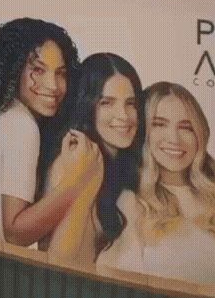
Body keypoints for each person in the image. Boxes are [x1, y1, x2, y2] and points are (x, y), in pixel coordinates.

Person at [96, 82, 215, 298]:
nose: (174, 139)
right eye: (159, 124)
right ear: (142, 132)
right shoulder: (127, 203)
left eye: (186, 127)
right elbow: (112, 293)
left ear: (200, 134)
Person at [0, 18, 102, 246]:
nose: (52, 85)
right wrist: (77, 182)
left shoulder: (8, 117)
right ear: (13, 71)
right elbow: (15, 233)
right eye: (38, 70)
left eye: (60, 73)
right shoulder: (22, 126)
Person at [46, 53, 143, 270]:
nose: (124, 115)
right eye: (106, 103)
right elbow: (63, 264)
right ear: (87, 105)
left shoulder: (122, 164)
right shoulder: (73, 160)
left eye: (130, 104)